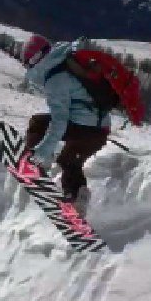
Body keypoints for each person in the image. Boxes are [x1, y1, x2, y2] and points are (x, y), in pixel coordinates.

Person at [20, 34, 110, 212]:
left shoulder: (55, 79)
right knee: (69, 161)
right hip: (99, 130)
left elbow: (59, 121)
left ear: (34, 60)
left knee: (38, 124)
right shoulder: (65, 62)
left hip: (87, 129)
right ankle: (77, 197)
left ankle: (36, 161)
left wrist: (44, 150)